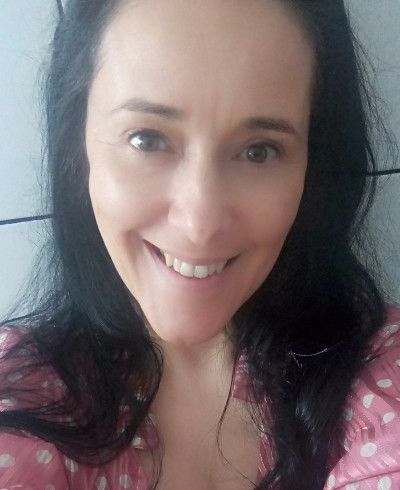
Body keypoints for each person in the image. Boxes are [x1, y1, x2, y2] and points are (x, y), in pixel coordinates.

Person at [0, 0, 399, 488]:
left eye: (260, 151)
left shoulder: (384, 371)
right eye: (147, 139)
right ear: (77, 147)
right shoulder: (17, 400)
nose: (199, 224)